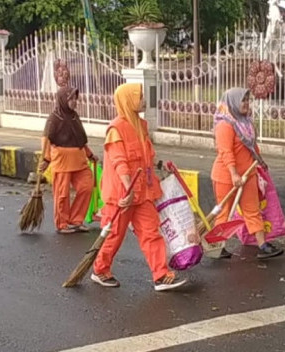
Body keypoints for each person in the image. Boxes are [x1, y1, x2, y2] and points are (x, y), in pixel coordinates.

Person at [91, 82, 187, 292]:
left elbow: (145, 159)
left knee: (151, 232)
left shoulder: (141, 126)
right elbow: (119, 162)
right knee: (114, 235)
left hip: (143, 192)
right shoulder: (116, 129)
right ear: (129, 100)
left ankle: (161, 275)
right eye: (140, 96)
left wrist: (161, 167)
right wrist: (128, 189)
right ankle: (100, 269)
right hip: (121, 195)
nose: (144, 99)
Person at [211, 87, 284, 259]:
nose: (245, 104)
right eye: (242, 100)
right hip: (226, 176)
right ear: (233, 102)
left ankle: (262, 245)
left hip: (248, 174)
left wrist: (260, 161)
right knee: (225, 212)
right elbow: (225, 152)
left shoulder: (246, 123)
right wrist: (234, 173)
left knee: (252, 210)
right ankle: (217, 245)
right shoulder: (225, 125)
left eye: (247, 100)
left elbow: (251, 146)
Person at [39, 86, 96, 234]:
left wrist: (90, 154)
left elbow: (80, 140)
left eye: (75, 98)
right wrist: (45, 159)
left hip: (79, 160)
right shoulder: (54, 118)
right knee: (62, 194)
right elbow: (46, 140)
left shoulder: (74, 117)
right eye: (71, 98)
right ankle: (62, 223)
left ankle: (76, 219)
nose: (74, 101)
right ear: (64, 100)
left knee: (86, 186)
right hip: (62, 161)